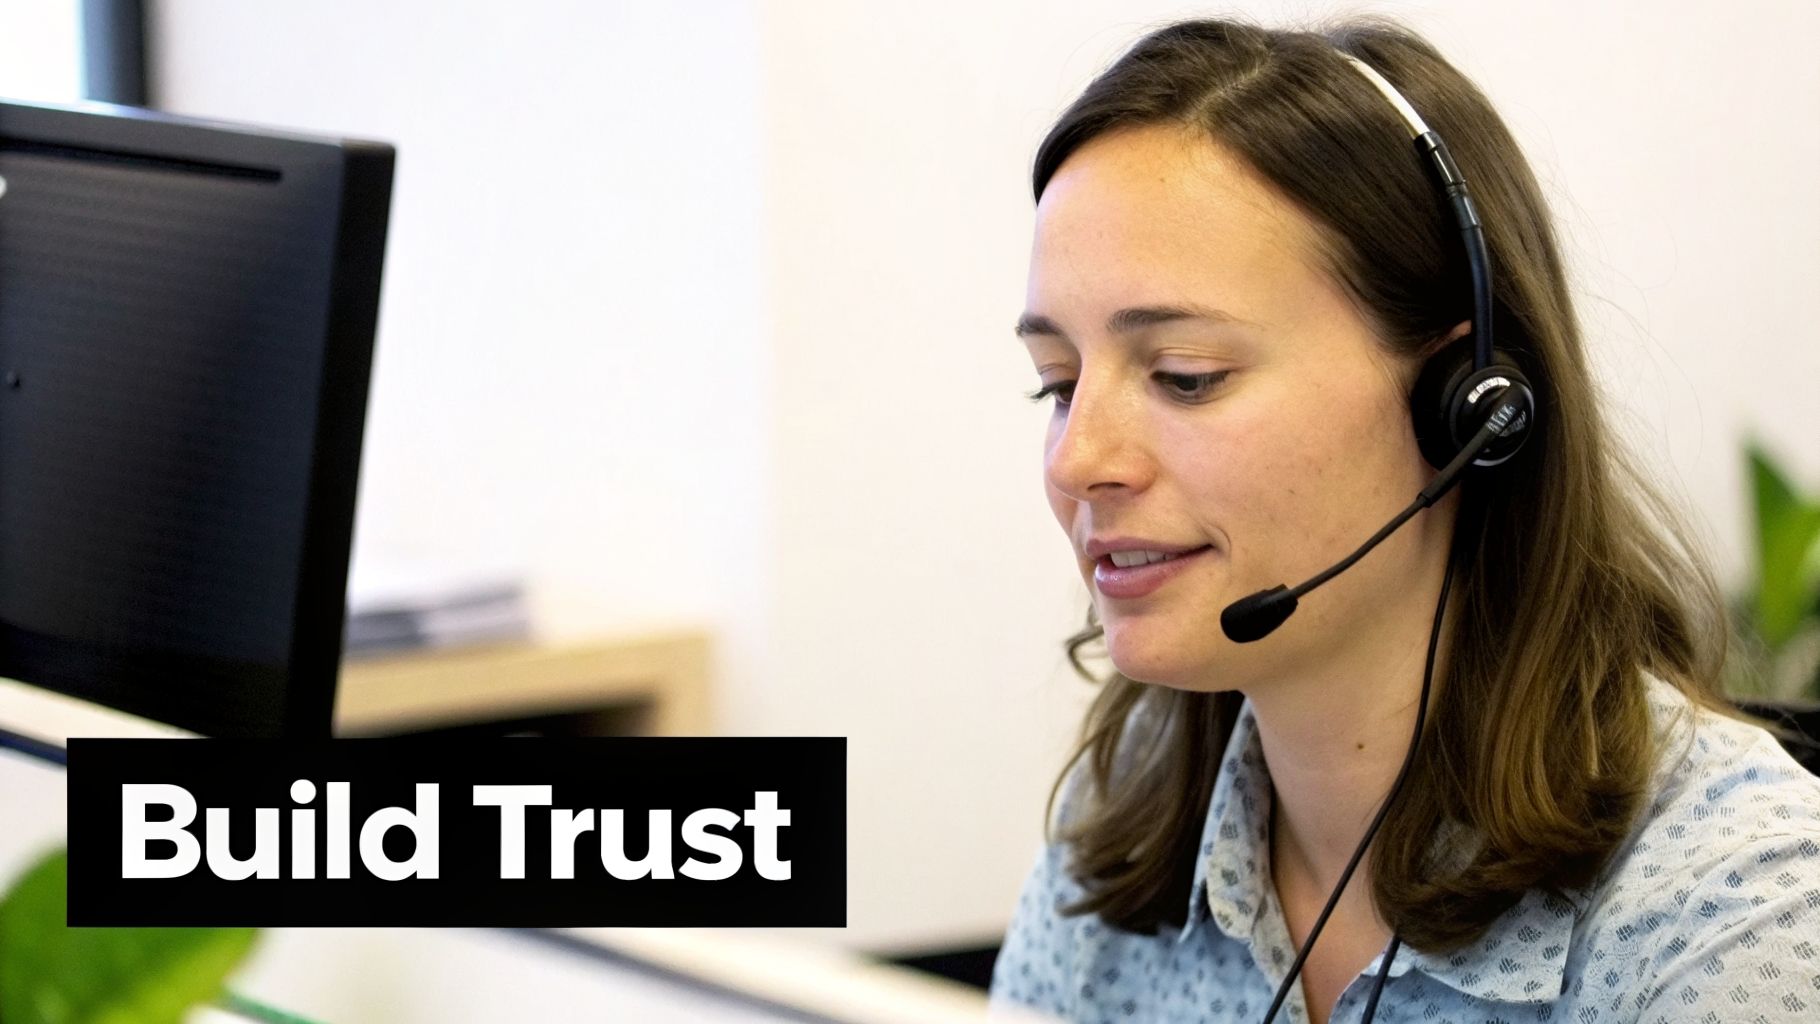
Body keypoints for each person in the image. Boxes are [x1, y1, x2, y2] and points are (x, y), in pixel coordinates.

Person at [988, 16, 1820, 1024]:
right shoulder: (1111, 847)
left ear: (1462, 398)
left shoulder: (1738, 911)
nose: (1079, 461)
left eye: (1184, 377)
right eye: (1057, 385)